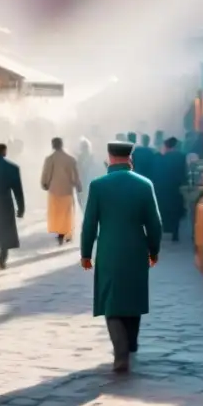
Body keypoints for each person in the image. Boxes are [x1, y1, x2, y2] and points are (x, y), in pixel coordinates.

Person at [80, 141, 163, 373]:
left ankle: (121, 353)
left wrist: (86, 253)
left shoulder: (98, 186)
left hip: (108, 251)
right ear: (130, 157)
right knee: (133, 297)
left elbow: (89, 224)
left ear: (109, 156)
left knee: (111, 301)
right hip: (137, 250)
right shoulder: (144, 185)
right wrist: (154, 250)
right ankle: (132, 343)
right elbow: (155, 224)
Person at [41, 137, 82, 245]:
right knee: (67, 213)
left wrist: (44, 183)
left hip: (54, 190)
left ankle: (60, 232)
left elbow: (46, 173)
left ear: (53, 145)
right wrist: (78, 186)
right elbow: (75, 175)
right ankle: (67, 232)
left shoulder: (50, 159)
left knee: (56, 213)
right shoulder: (70, 159)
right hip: (67, 190)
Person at [153, 136, 188, 242]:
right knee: (176, 210)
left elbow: (158, 172)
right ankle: (175, 234)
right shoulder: (181, 156)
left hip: (163, 186)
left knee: (162, 209)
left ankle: (161, 231)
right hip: (176, 187)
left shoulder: (162, 157)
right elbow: (183, 172)